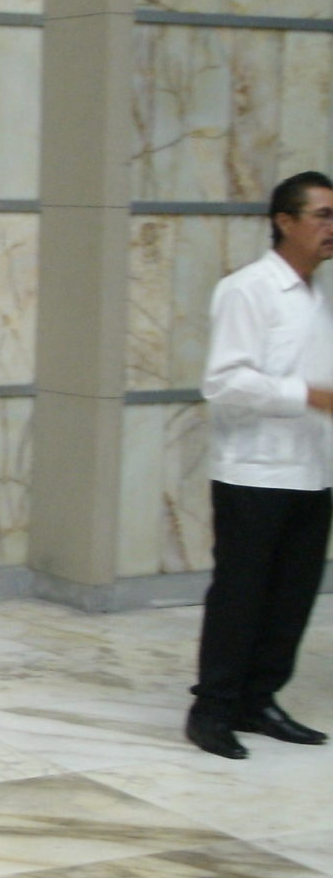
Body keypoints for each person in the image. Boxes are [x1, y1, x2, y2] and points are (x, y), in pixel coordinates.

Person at [185, 169, 333, 759]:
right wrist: (307, 395)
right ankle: (212, 709)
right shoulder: (248, 289)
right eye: (322, 215)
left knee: (293, 595)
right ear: (284, 221)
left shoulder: (318, 294)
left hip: (313, 471)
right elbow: (222, 380)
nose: (331, 228)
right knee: (241, 595)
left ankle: (258, 699)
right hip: (254, 473)